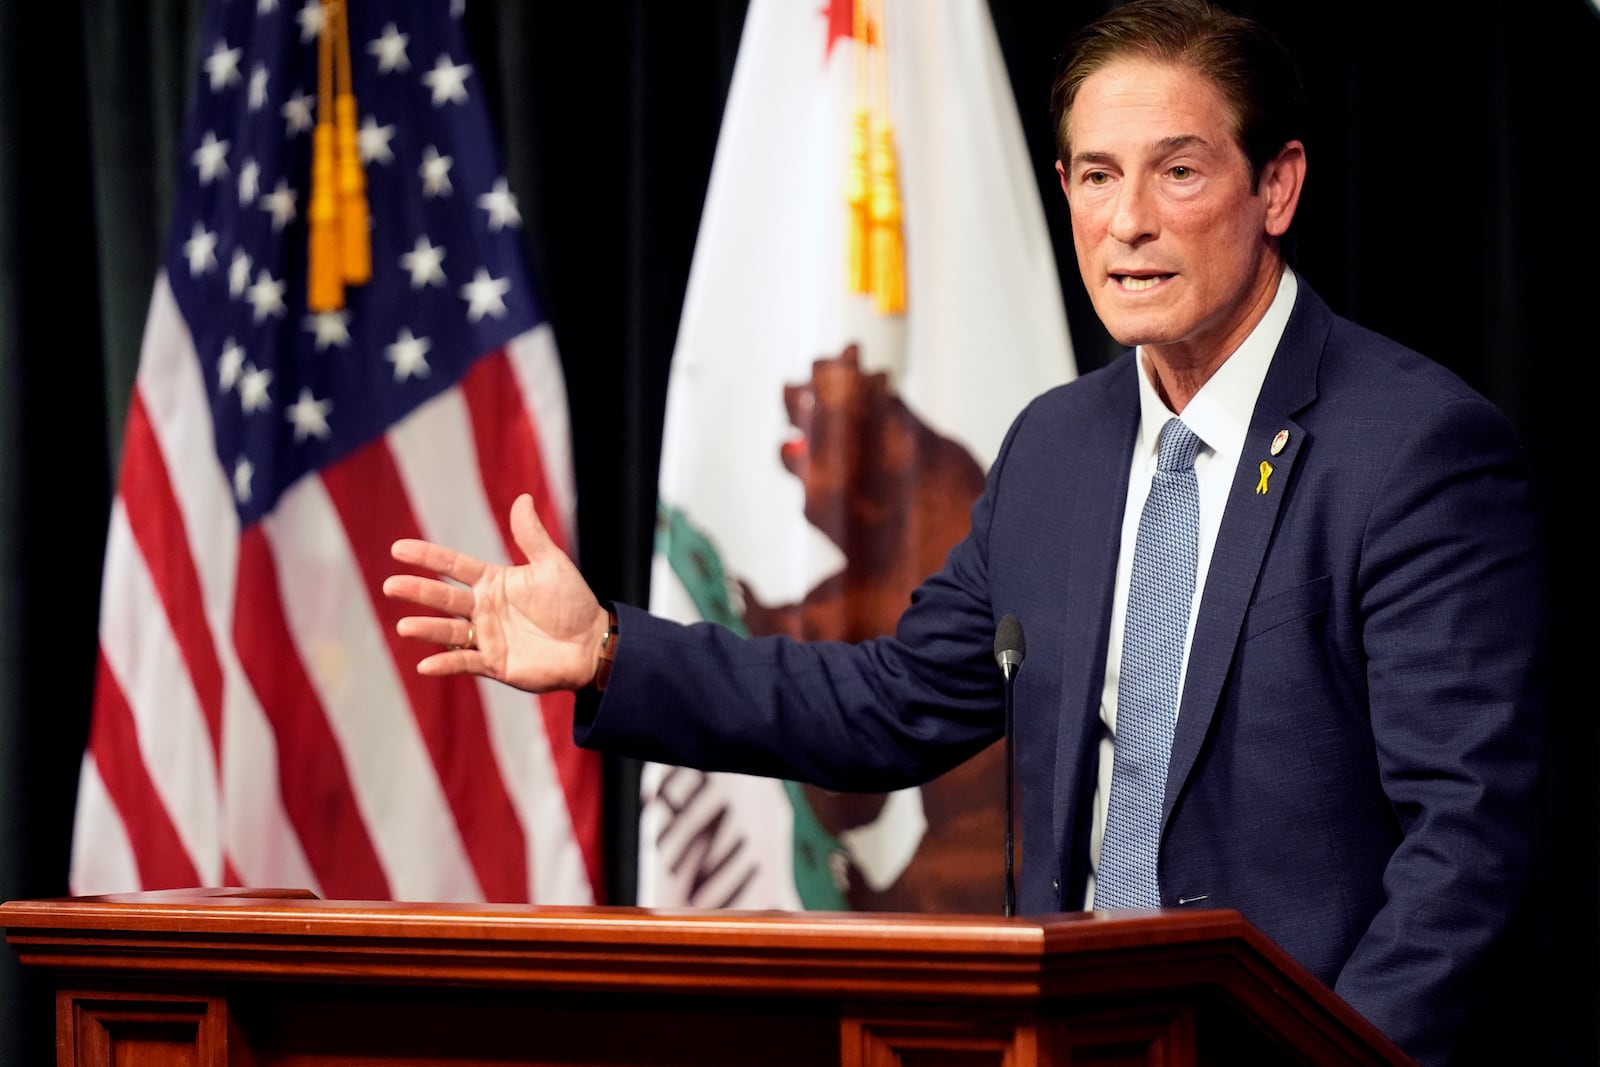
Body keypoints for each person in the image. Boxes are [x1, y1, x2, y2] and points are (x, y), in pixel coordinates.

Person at [382, 1, 1542, 1062]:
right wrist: (610, 655)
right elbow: (893, 704)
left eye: (1177, 172)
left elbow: (1468, 836)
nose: (1127, 222)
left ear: (1274, 187)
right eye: (1095, 175)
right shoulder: (1056, 444)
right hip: (1075, 1040)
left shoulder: (1413, 448)